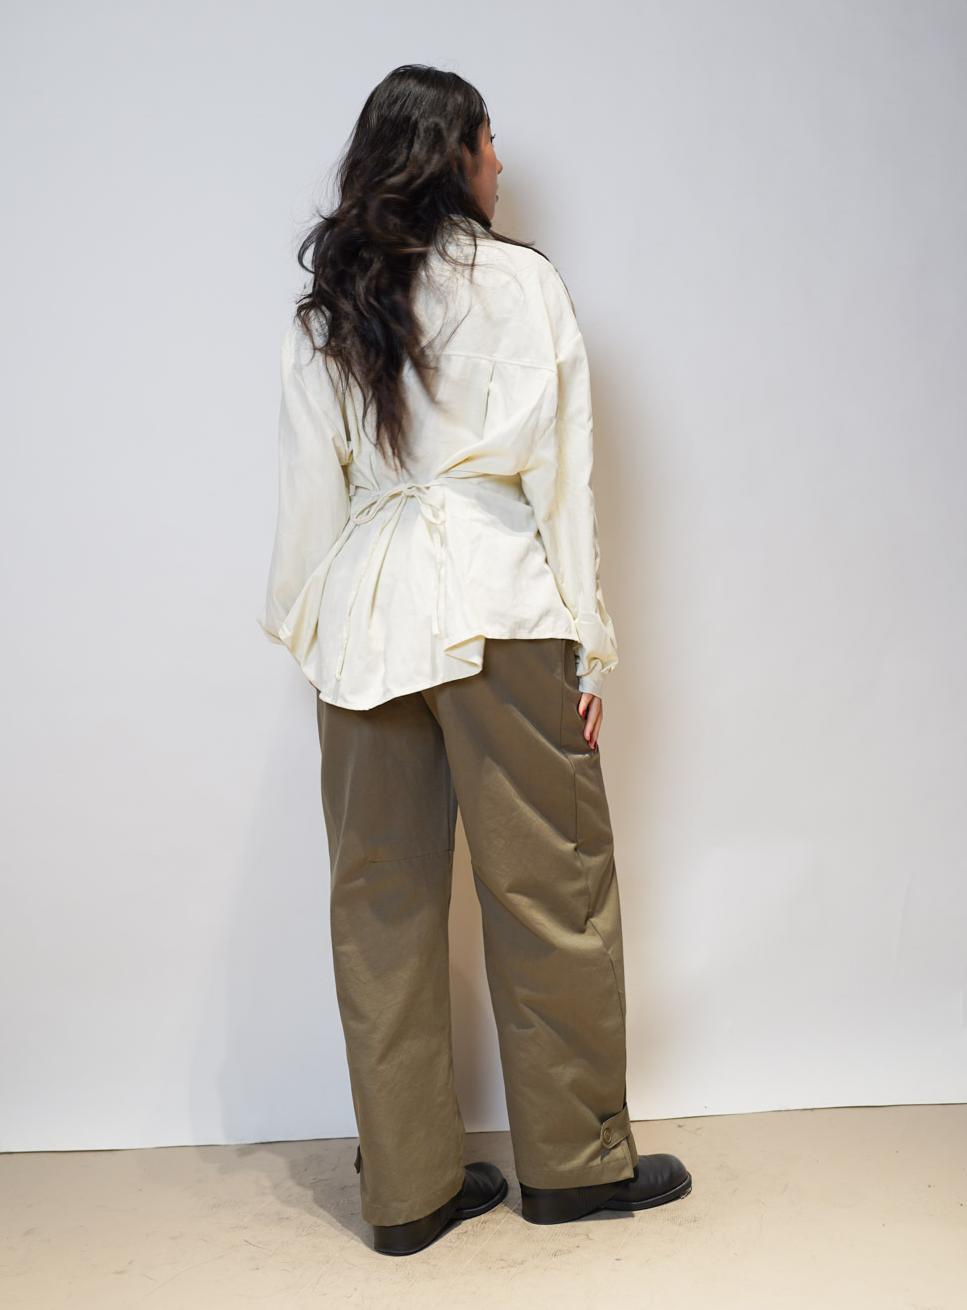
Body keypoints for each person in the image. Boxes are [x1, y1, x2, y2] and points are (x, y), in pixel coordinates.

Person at [258, 64, 691, 1255]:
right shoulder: (522, 283)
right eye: (489, 142)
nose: (500, 164)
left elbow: (306, 501)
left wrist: (310, 629)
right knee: (551, 888)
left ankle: (407, 1195)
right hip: (502, 606)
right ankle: (573, 1169)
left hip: (365, 620)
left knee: (379, 907)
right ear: (453, 153)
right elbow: (564, 473)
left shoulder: (327, 304)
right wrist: (587, 645)